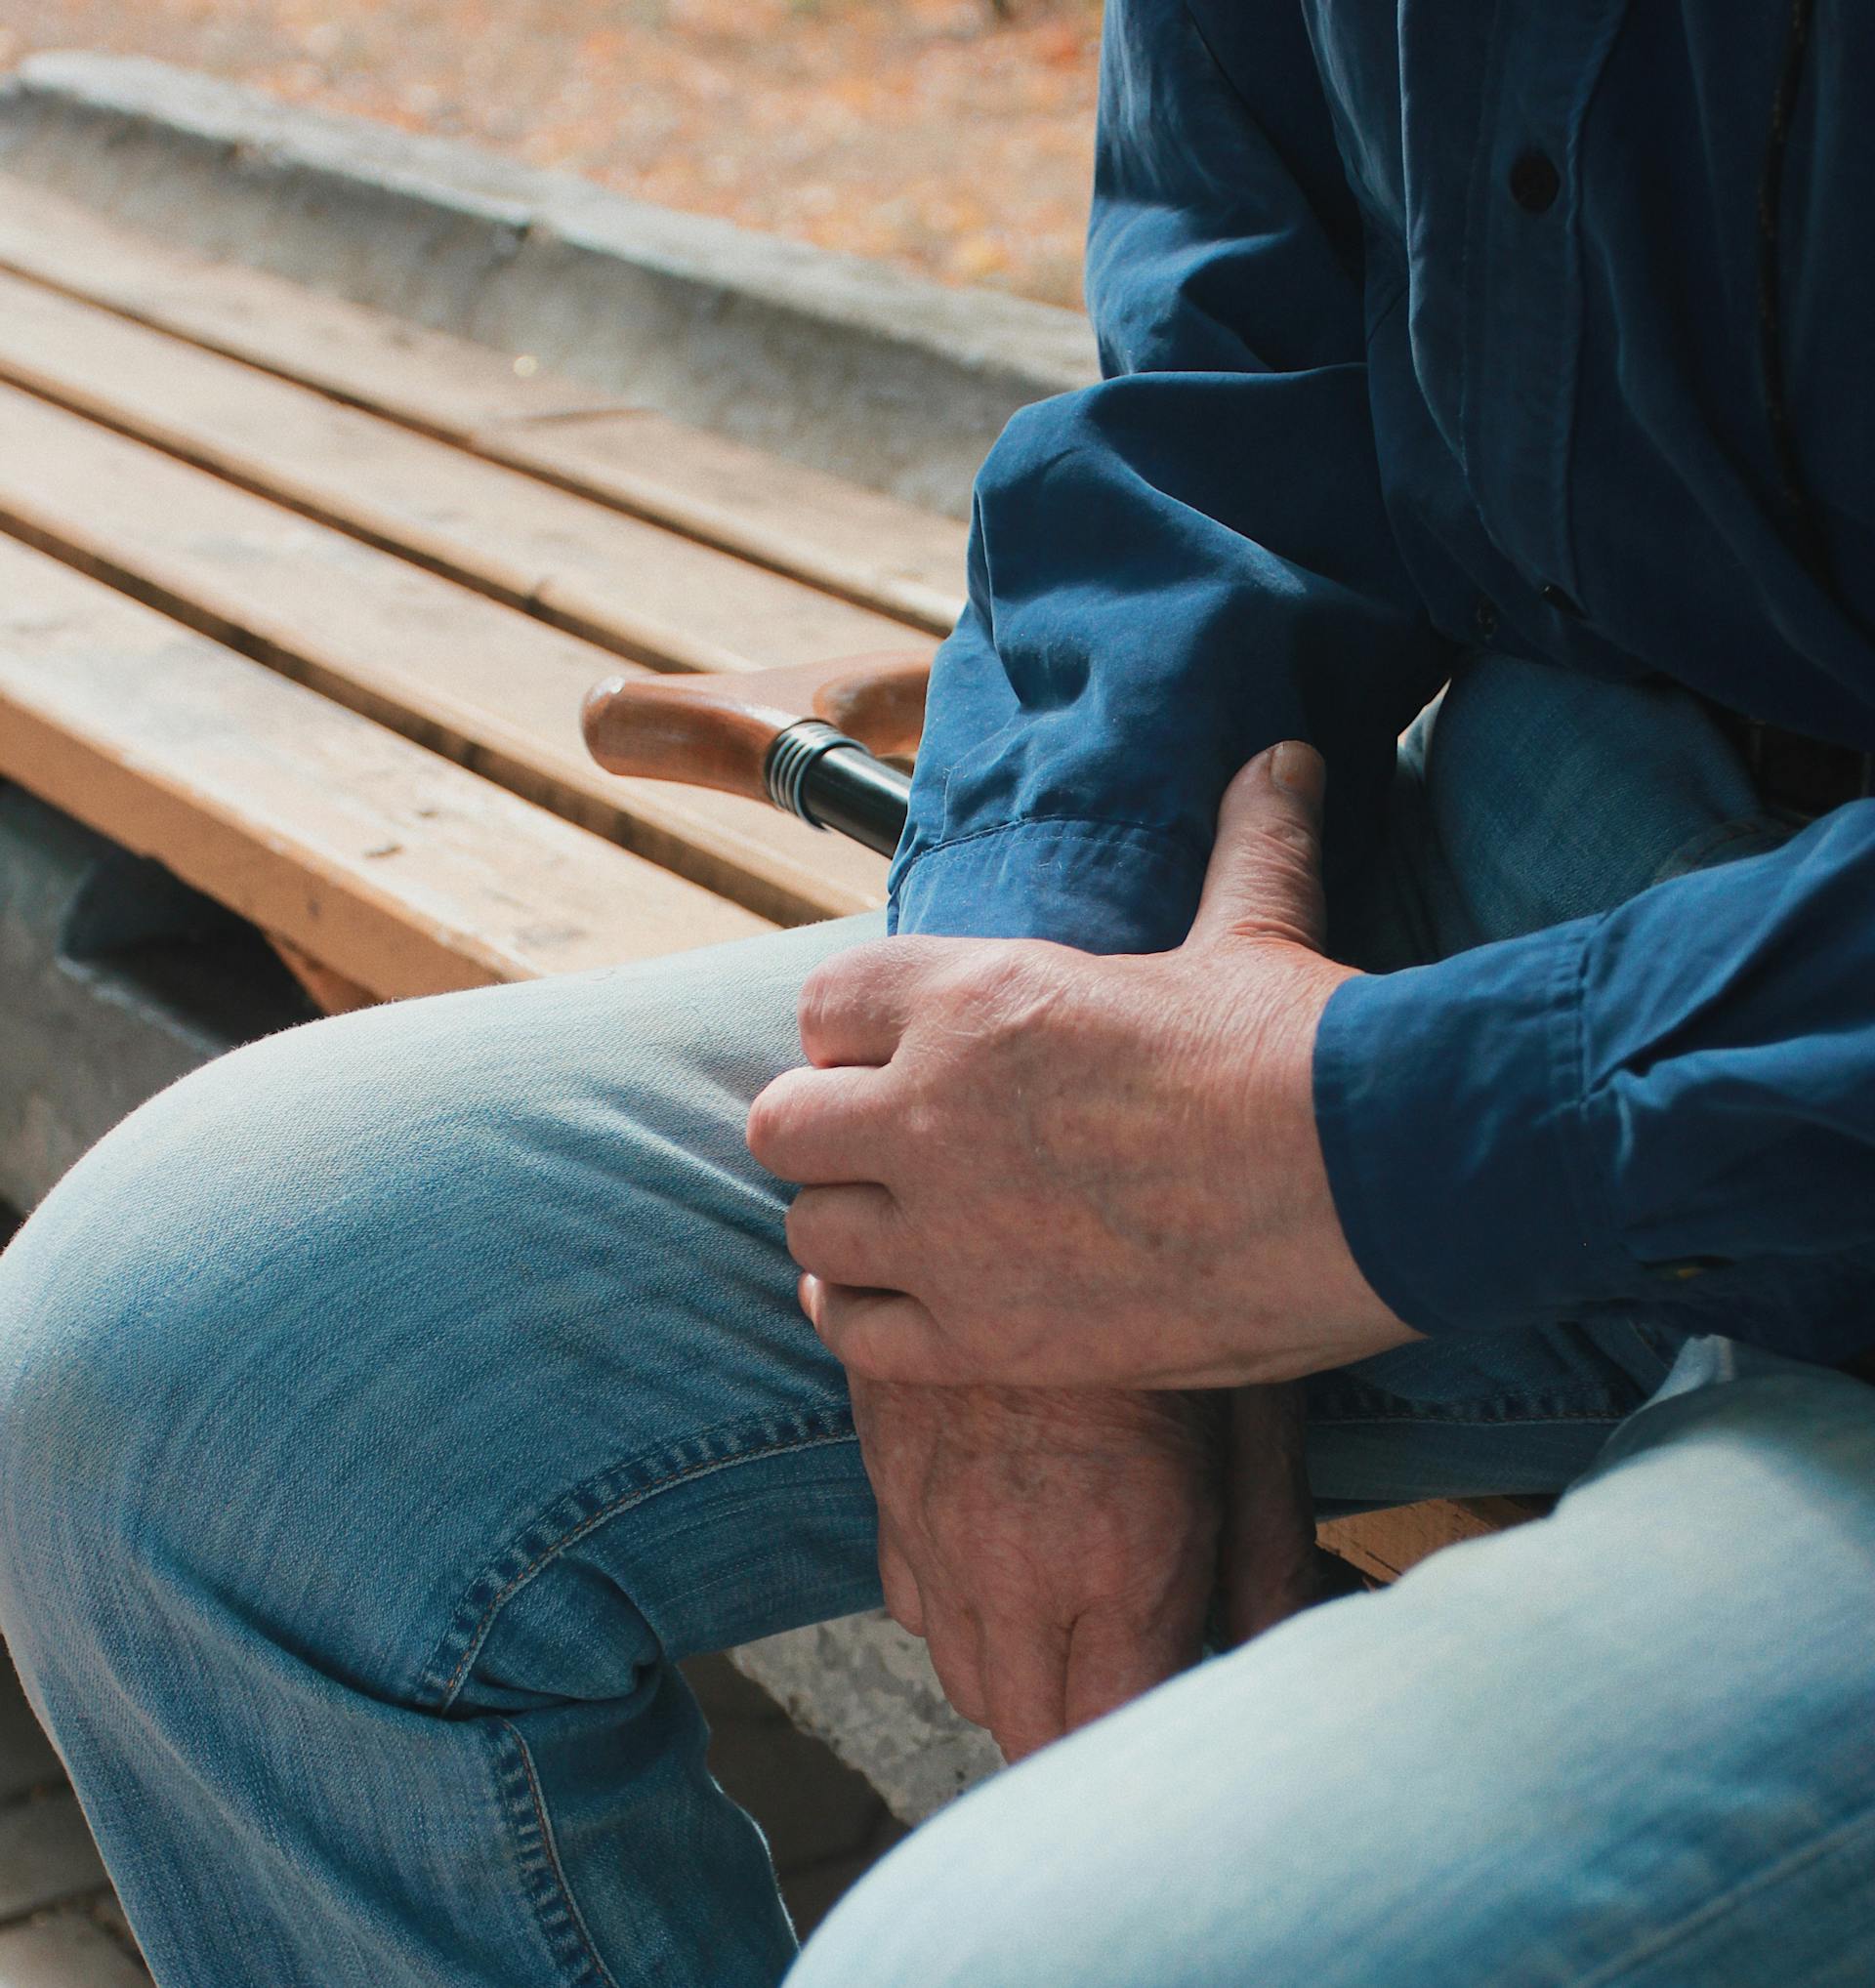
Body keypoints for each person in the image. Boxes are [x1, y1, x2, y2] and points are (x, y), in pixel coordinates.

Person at [2, 0, 1873, 1981]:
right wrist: (1015, 1083)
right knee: (180, 1394)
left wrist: (1392, 1137)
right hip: (1528, 867)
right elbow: (1235, 393)